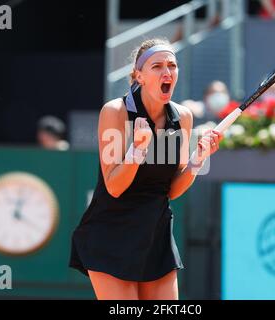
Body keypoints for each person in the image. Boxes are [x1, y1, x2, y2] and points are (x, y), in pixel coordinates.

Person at [69, 38, 222, 300]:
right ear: (138, 75)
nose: (167, 72)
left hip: (156, 236)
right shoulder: (115, 112)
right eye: (157, 66)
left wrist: (198, 159)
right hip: (110, 234)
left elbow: (171, 190)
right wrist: (137, 150)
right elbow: (115, 187)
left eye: (172, 66)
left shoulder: (183, 117)